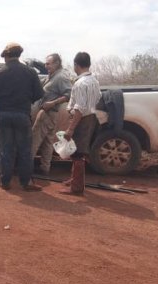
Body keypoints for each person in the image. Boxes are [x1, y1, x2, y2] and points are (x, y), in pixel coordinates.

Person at [0, 43, 44, 191]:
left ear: (6, 56)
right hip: (22, 114)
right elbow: (40, 94)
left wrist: (0, 102)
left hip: (3, 115)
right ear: (19, 55)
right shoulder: (30, 72)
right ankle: (25, 183)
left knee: (5, 150)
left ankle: (5, 182)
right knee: (24, 150)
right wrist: (27, 100)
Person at [62, 52, 101, 195]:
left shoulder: (80, 84)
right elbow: (98, 98)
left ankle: (77, 187)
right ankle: (75, 180)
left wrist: (71, 129)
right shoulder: (94, 81)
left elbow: (79, 108)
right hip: (91, 117)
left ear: (76, 65)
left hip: (81, 119)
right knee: (79, 151)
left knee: (77, 153)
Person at [31, 53, 72, 176]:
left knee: (34, 140)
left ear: (56, 63)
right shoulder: (52, 76)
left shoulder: (60, 77)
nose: (46, 66)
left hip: (48, 112)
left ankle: (26, 168)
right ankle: (45, 168)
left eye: (48, 63)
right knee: (48, 142)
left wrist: (53, 103)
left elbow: (69, 95)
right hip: (50, 113)